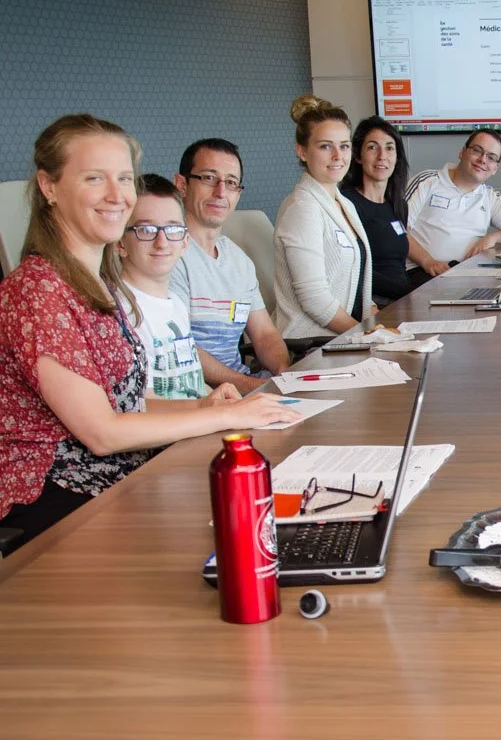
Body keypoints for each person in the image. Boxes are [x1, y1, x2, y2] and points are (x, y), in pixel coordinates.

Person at [0, 115, 300, 547]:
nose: (116, 195)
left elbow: (126, 405)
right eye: (93, 178)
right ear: (49, 187)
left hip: (119, 472)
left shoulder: (97, 283)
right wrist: (228, 415)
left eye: (124, 178)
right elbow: (102, 432)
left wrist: (202, 407)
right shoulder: (39, 289)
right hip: (60, 495)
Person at [170, 138, 291, 394]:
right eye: (208, 178)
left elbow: (264, 335)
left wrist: (283, 375)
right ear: (182, 184)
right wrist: (252, 386)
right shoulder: (167, 253)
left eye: (231, 183)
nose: (220, 192)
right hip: (197, 394)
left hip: (239, 389)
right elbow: (180, 348)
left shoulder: (238, 260)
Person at [274, 95, 374, 340]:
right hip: (311, 344)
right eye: (325, 146)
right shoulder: (302, 208)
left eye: (344, 145)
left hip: (343, 337)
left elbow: (356, 288)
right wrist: (364, 334)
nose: (338, 156)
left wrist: (379, 324)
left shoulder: (343, 203)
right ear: (302, 151)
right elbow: (314, 299)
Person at [119, 174, 223, 401]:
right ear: (120, 243)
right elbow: (139, 404)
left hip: (200, 425)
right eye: (146, 230)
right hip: (168, 434)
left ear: (185, 242)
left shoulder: (175, 304)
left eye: (173, 230)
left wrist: (220, 399)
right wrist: (213, 411)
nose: (162, 242)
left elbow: (187, 384)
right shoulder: (119, 310)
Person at [404, 129, 501, 287]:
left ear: (495, 168)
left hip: (468, 274)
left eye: (491, 157)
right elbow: (397, 229)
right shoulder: (427, 181)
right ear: (462, 152)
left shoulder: (489, 197)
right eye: (477, 150)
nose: (483, 160)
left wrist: (492, 238)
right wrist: (427, 261)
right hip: (423, 272)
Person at [340, 116, 412, 306]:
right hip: (371, 302)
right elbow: (353, 270)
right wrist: (411, 294)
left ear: (397, 157)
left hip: (401, 299)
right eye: (372, 147)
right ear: (357, 156)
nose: (382, 156)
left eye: (389, 148)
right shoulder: (346, 203)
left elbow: (398, 265)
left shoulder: (398, 205)